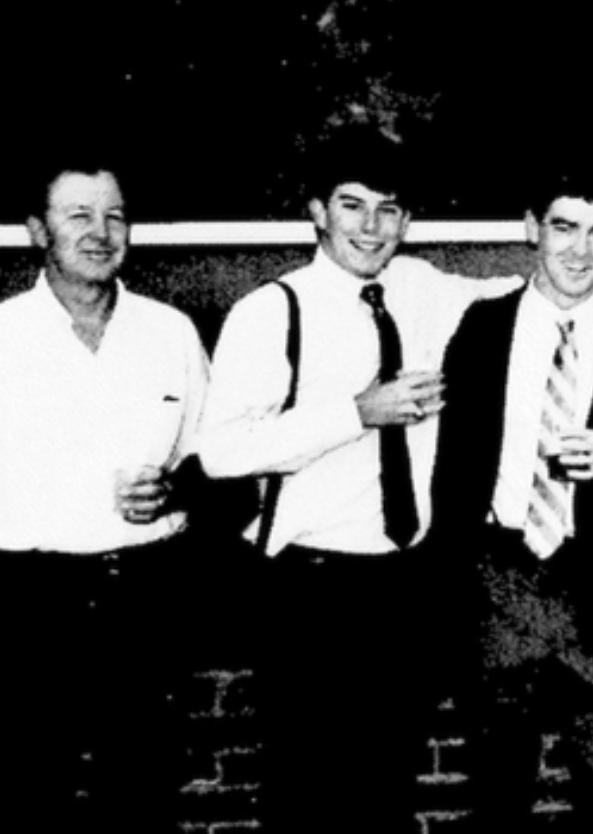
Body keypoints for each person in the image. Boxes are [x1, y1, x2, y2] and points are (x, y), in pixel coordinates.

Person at [195, 130, 525, 834]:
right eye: (352, 206)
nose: (371, 227)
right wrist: (356, 412)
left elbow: (526, 297)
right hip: (308, 586)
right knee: (306, 787)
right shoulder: (271, 310)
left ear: (407, 222)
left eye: (389, 209)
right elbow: (220, 452)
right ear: (317, 212)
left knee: (384, 787)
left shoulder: (424, 288)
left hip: (405, 584)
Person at [0, 156, 209, 834]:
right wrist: (2, 610)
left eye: (115, 216)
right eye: (79, 216)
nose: (101, 232)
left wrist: (174, 497)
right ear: (37, 231)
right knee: (33, 794)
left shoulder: (171, 332)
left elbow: (209, 464)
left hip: (148, 595)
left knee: (143, 794)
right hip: (36, 598)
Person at [428, 169, 593, 834]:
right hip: (500, 583)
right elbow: (453, 467)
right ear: (531, 229)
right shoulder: (482, 326)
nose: (580, 250)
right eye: (564, 227)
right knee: (497, 802)